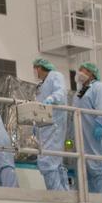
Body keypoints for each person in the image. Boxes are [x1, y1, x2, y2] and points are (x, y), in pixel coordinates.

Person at [73, 62, 102, 194]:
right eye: (79, 69)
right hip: (85, 141)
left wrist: (100, 125)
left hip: (99, 137)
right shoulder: (79, 92)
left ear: (91, 73)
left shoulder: (99, 87)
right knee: (88, 178)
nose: (79, 72)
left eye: (83, 70)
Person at [32, 57, 68, 191]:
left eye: (35, 68)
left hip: (55, 124)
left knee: (48, 160)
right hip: (44, 127)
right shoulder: (41, 85)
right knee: (50, 161)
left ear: (40, 67)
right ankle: (62, 192)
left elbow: (61, 92)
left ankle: (57, 195)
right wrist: (35, 126)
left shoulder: (55, 76)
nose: (35, 71)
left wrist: (51, 99)